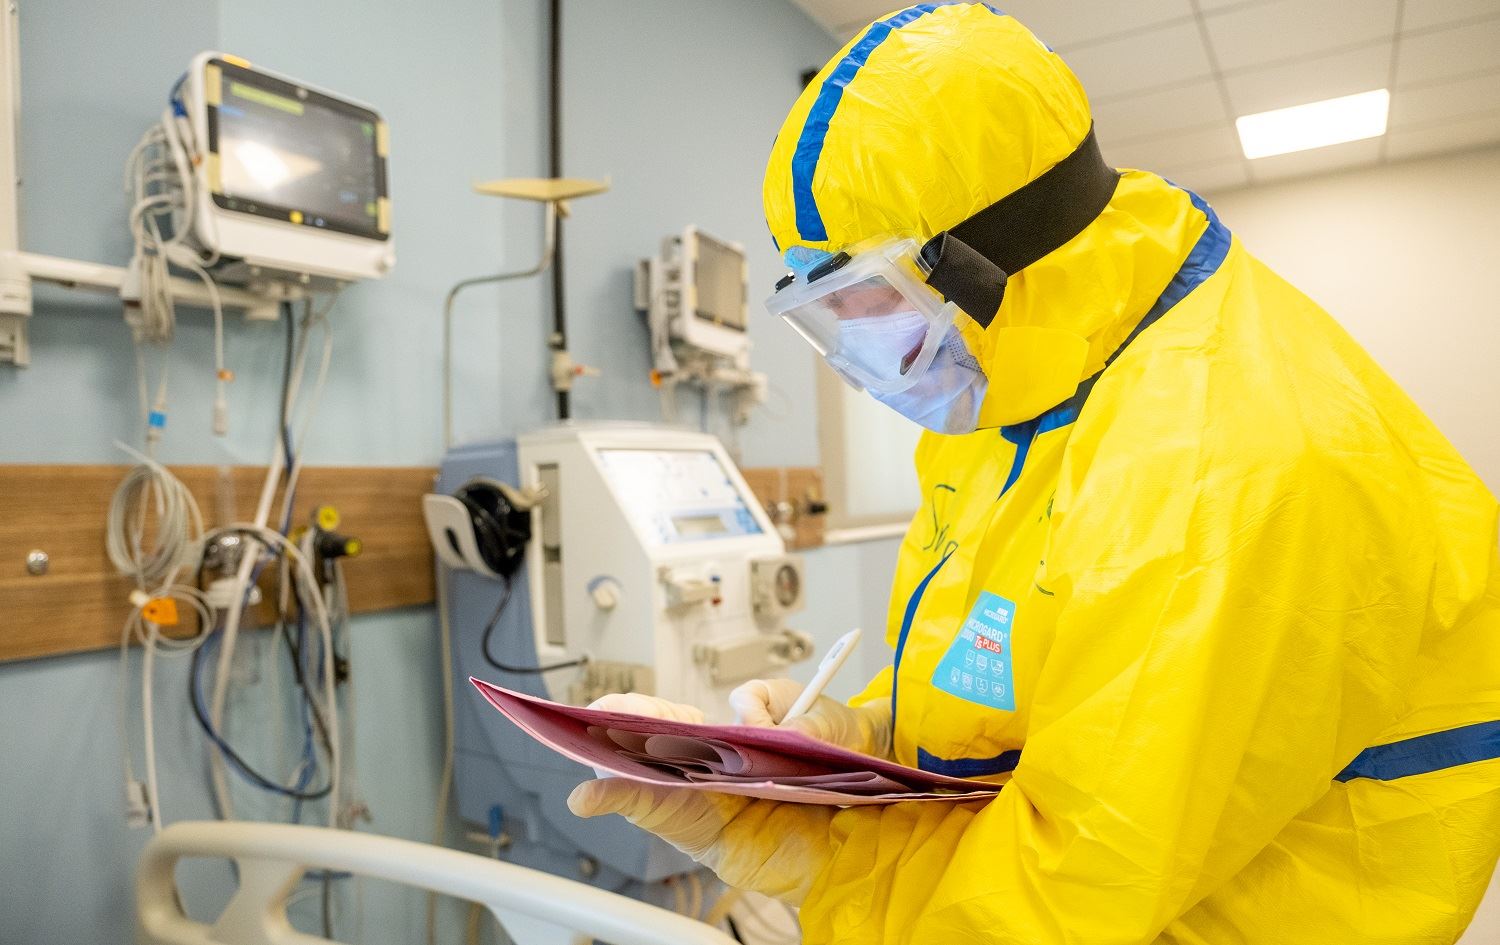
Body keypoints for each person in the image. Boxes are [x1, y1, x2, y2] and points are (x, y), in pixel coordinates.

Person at [570, 4, 1500, 942]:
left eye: (871, 304)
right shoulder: (1019, 383)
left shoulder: (1219, 473)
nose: (858, 356)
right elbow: (1028, 673)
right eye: (826, 315)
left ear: (986, 258)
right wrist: (858, 740)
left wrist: (797, 850)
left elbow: (1061, 899)